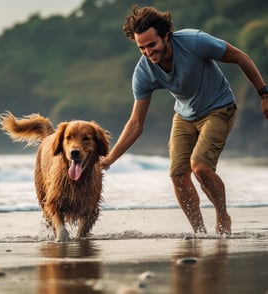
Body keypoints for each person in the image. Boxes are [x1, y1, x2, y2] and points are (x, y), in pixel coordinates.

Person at [100, 6, 268, 234]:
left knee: (199, 166)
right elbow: (136, 123)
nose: (148, 52)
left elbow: (240, 57)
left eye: (152, 45)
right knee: (178, 175)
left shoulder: (194, 42)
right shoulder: (143, 73)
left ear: (166, 36)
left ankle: (222, 216)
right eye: (142, 48)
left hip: (219, 107)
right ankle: (199, 232)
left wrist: (264, 94)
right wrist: (109, 159)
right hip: (185, 115)